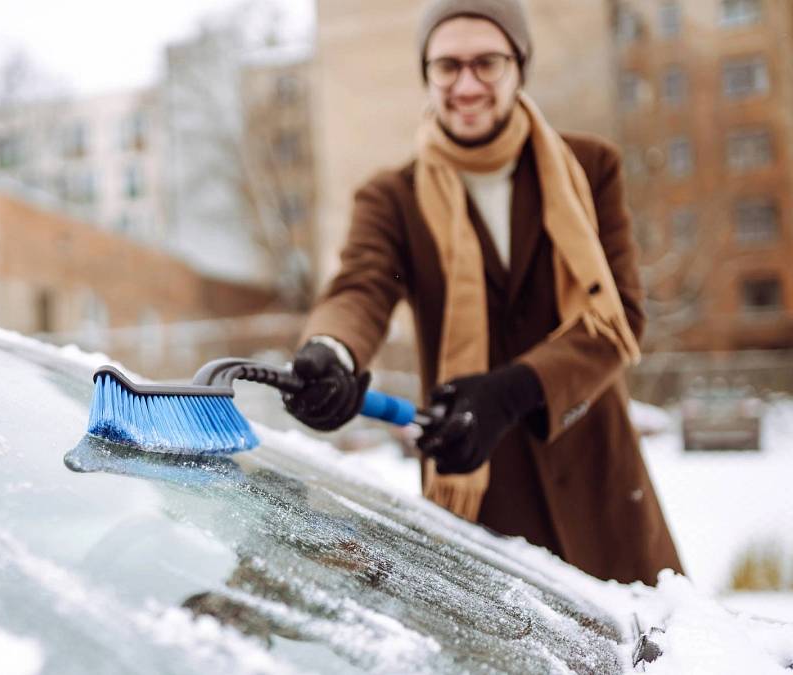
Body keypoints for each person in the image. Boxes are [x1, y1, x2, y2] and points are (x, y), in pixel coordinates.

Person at [281, 0, 682, 585]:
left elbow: (619, 317)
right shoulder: (393, 197)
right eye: (447, 66)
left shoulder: (590, 169)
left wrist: (515, 390)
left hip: (602, 487)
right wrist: (331, 351)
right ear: (427, 75)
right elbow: (361, 287)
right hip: (480, 498)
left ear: (519, 66)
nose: (466, 84)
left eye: (486, 63)